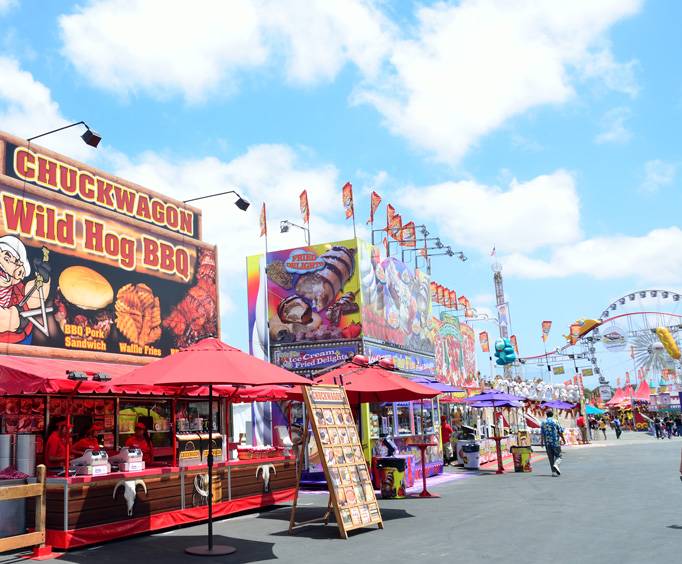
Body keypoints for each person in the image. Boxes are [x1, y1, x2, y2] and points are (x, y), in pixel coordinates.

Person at [540, 410, 566, 477]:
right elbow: (560, 431)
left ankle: (553, 472)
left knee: (550, 457)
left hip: (547, 443)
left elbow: (542, 433)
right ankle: (556, 464)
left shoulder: (543, 422)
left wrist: (542, 441)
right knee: (559, 455)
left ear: (546, 415)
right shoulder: (555, 421)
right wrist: (563, 439)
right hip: (555, 442)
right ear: (552, 415)